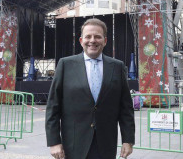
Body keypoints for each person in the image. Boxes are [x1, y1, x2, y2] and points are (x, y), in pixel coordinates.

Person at [46, 18, 135, 159]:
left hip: (105, 144)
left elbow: (125, 108)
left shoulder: (117, 67)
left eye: (97, 37)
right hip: (73, 145)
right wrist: (54, 142)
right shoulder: (65, 65)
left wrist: (128, 140)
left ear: (105, 41)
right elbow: (53, 107)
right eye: (88, 36)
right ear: (81, 40)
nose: (92, 40)